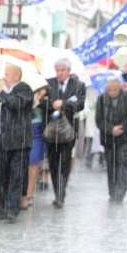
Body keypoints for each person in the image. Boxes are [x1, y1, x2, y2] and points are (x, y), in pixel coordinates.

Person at [39, 58, 86, 208]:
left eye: (62, 70)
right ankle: (57, 190)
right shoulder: (48, 84)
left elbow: (80, 104)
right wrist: (52, 105)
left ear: (68, 71)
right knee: (53, 162)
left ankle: (61, 192)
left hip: (69, 130)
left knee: (65, 161)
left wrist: (64, 104)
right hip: (51, 131)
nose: (59, 73)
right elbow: (41, 102)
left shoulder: (78, 85)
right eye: (57, 70)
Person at [0, 64, 33, 223]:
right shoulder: (1, 92)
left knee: (16, 175)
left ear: (16, 76)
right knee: (2, 175)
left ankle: (13, 208)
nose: (4, 76)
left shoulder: (24, 89)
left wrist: (0, 93)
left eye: (7, 74)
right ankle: (3, 206)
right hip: (2, 138)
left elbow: (16, 104)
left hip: (18, 141)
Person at [95, 77, 127, 202]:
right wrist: (110, 129)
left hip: (125, 137)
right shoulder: (102, 99)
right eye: (110, 90)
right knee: (111, 164)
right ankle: (112, 191)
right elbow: (99, 119)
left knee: (122, 162)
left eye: (114, 89)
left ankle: (121, 190)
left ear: (119, 87)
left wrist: (122, 128)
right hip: (109, 138)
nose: (112, 92)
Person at [21, 87, 48, 209]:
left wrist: (40, 99)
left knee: (33, 161)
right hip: (20, 126)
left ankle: (29, 194)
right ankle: (20, 192)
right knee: (21, 162)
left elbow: (49, 106)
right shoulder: (20, 89)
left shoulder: (44, 92)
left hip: (36, 128)